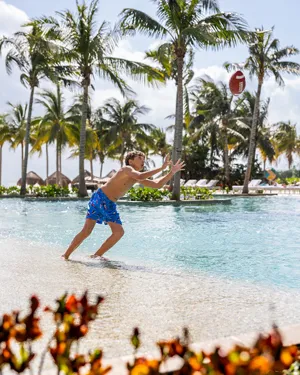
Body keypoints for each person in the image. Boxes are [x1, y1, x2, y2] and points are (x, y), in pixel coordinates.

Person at [62, 151, 185, 260]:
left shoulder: (135, 177)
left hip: (104, 201)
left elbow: (157, 184)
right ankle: (78, 255)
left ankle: (82, 255)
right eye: (140, 158)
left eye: (144, 160)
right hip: (102, 199)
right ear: (130, 161)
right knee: (106, 232)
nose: (143, 161)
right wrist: (162, 167)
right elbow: (140, 175)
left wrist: (171, 172)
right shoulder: (126, 169)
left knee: (104, 232)